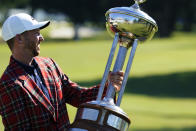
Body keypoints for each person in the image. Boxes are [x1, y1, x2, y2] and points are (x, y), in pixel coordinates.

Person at [0, 13, 124, 130]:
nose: (41, 37)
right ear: (19, 39)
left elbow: (77, 96)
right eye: (36, 33)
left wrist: (108, 87)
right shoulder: (8, 84)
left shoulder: (49, 65)